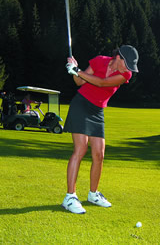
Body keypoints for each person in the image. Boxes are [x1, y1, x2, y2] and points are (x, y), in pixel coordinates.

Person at [61, 45, 139, 214]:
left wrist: (78, 70)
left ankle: (93, 194)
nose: (129, 69)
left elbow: (103, 84)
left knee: (99, 154)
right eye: (127, 64)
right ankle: (70, 197)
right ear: (118, 57)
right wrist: (74, 70)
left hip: (97, 111)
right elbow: (79, 82)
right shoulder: (99, 61)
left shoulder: (125, 74)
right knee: (80, 149)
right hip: (81, 105)